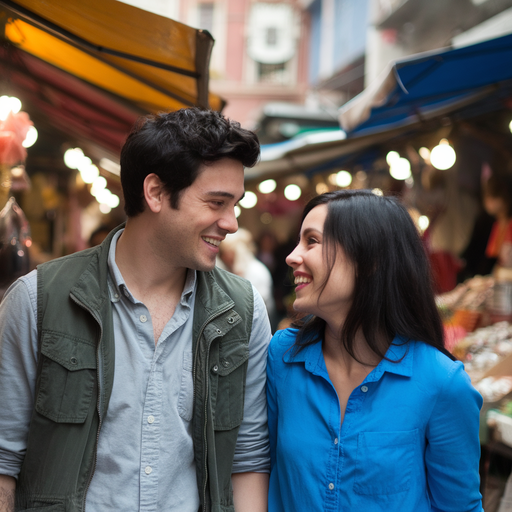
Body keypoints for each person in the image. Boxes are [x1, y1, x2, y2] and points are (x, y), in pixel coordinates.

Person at [0, 108, 271, 512]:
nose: (231, 223)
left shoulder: (243, 313)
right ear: (156, 193)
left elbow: (247, 460)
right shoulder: (36, 299)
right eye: (217, 202)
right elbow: (5, 458)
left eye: (235, 204)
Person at [266, 190, 483, 512]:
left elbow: (459, 507)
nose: (293, 256)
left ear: (370, 261)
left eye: (312, 241)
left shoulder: (441, 383)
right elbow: (259, 465)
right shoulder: (282, 356)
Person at [219, 228, 276, 325]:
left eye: (226, 252)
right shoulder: (228, 269)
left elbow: (254, 308)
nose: (223, 257)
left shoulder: (257, 271)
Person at [484, 173, 512, 270]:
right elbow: (492, 256)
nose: (489, 201)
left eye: (493, 196)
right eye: (487, 196)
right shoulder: (495, 224)